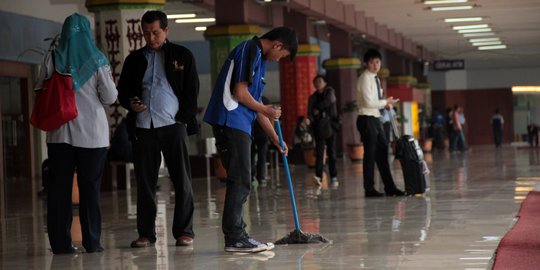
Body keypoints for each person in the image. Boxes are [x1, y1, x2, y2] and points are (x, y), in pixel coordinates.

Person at [203, 27, 297, 253]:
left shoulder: (260, 60)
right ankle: (235, 237)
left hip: (241, 122)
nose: (278, 60)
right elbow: (240, 94)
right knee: (241, 178)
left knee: (242, 177)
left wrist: (275, 138)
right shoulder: (249, 49)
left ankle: (237, 235)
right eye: (281, 56)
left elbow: (254, 107)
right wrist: (266, 108)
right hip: (229, 119)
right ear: (277, 45)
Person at [117, 10, 200, 248]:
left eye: (155, 32)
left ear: (166, 30)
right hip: (144, 127)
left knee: (181, 181)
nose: (151, 38)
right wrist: (131, 103)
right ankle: (146, 234)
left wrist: (183, 118)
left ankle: (184, 232)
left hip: (174, 126)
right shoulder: (134, 59)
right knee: (145, 183)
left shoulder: (182, 55)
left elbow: (192, 90)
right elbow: (124, 92)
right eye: (146, 33)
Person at [39, 13, 118, 254]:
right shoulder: (97, 60)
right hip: (92, 137)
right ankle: (92, 242)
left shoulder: (52, 57)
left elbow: (40, 89)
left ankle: (61, 245)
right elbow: (111, 97)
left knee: (59, 191)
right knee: (90, 190)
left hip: (59, 135)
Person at [356, 49, 404, 197]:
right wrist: (385, 102)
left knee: (383, 153)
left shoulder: (375, 78)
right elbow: (369, 102)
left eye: (377, 61)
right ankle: (369, 189)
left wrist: (386, 104)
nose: (375, 65)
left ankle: (389, 187)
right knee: (370, 155)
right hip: (366, 118)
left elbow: (376, 102)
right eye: (371, 62)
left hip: (376, 118)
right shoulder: (365, 78)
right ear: (365, 64)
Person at [308, 74, 339, 187]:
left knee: (332, 152)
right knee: (319, 153)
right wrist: (310, 121)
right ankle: (319, 177)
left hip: (331, 126)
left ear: (325, 83)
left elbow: (329, 101)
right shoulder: (312, 97)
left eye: (320, 81)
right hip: (318, 128)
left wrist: (318, 108)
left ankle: (333, 176)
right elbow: (310, 112)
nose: (318, 83)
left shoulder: (330, 92)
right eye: (315, 82)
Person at [251, 96, 271, 187]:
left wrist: (271, 133)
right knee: (259, 155)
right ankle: (259, 177)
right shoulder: (252, 99)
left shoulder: (264, 100)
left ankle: (256, 176)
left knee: (257, 155)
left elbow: (271, 119)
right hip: (255, 132)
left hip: (259, 133)